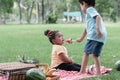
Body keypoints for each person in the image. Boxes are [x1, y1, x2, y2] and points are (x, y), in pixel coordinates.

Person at [77, 0, 107, 76]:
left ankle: (82, 71)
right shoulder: (90, 12)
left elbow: (98, 17)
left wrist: (97, 29)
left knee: (86, 53)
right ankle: (98, 73)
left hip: (94, 35)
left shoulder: (89, 9)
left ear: (84, 3)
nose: (81, 8)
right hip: (101, 37)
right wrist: (81, 38)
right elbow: (87, 28)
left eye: (81, 5)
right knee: (95, 55)